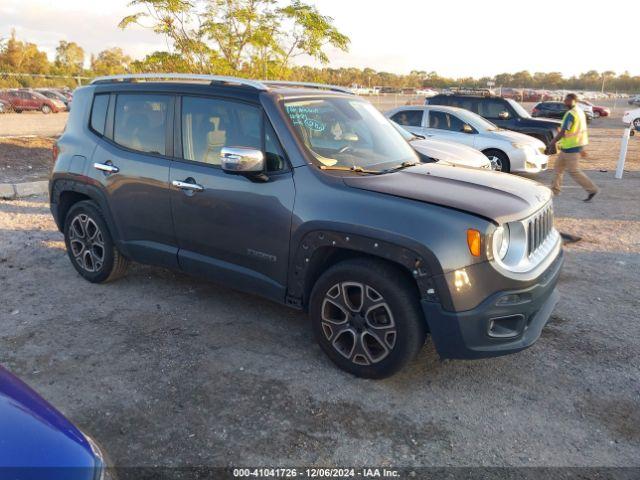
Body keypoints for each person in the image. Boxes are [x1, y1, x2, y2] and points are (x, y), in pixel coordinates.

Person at [549, 93, 598, 202]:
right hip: (570, 147)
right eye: (565, 100)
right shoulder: (579, 111)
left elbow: (564, 131)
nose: (565, 102)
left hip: (572, 148)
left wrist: (553, 142)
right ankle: (554, 191)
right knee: (557, 168)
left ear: (574, 101)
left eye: (568, 101)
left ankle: (592, 189)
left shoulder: (571, 114)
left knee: (574, 171)